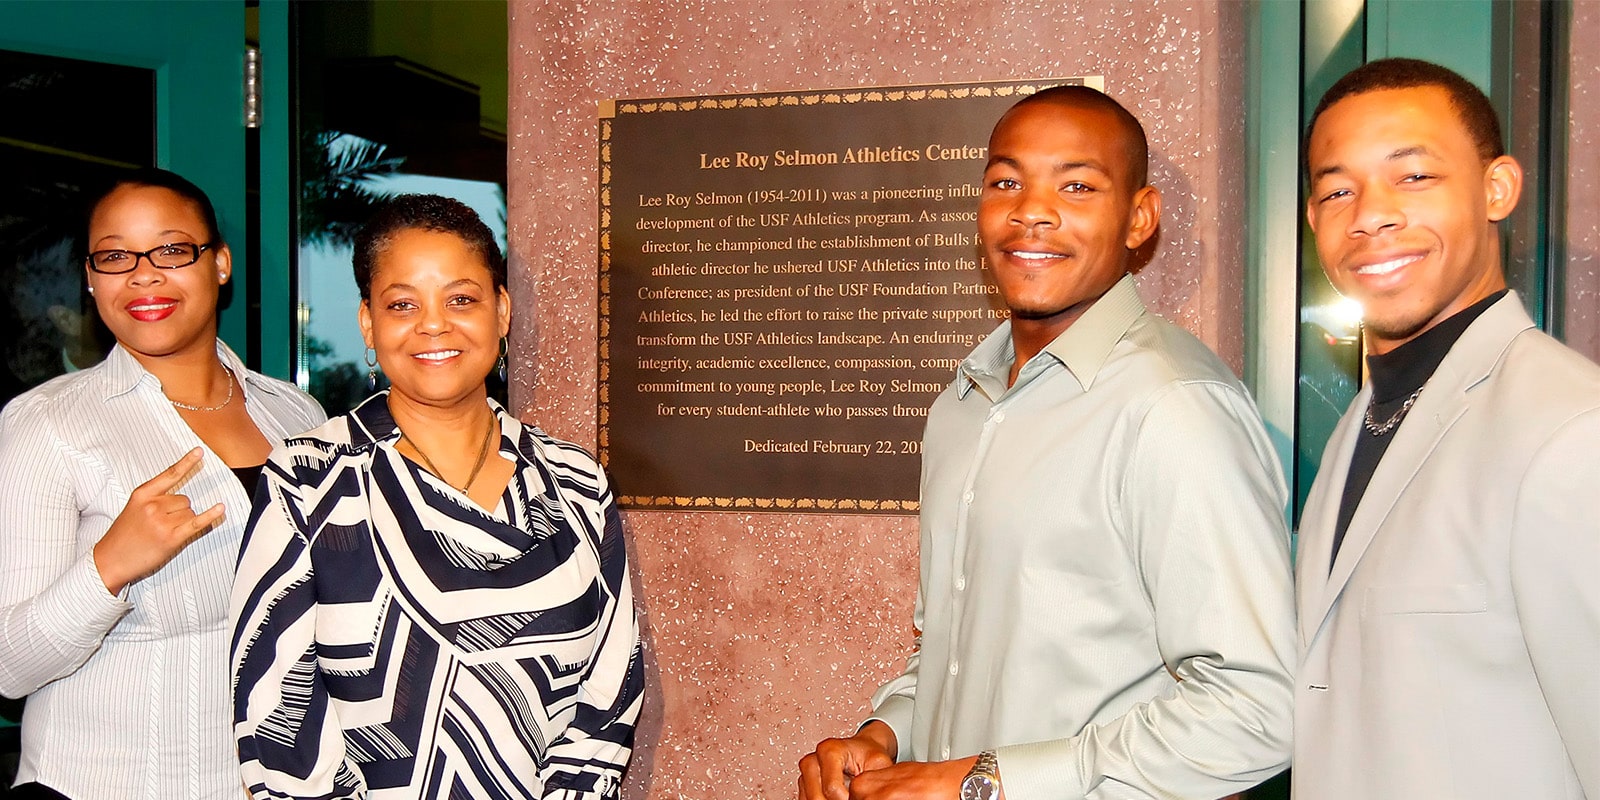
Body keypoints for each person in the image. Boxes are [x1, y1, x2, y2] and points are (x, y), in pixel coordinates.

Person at [799, 86, 1295, 800]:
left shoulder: (1174, 407)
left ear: (1139, 218)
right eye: (1006, 182)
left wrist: (990, 783)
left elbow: (1257, 710)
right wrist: (885, 736)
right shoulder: (963, 406)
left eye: (1077, 185)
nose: (1031, 209)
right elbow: (960, 652)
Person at [231, 194, 643, 800]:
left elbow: (611, 687)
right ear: (368, 323)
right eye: (403, 304)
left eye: (461, 299)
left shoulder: (575, 480)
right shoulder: (308, 480)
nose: (433, 324)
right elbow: (277, 716)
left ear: (501, 311)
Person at [1295, 57, 1600, 799]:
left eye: (1413, 177)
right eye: (1338, 189)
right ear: (1313, 220)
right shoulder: (1360, 427)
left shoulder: (1570, 430)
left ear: (1497, 188)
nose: (1370, 214)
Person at [0, 168, 326, 799]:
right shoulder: (46, 424)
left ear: (220, 264)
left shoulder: (295, 415)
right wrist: (108, 566)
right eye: (115, 256)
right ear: (91, 280)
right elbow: (11, 666)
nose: (143, 275)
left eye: (173, 250)